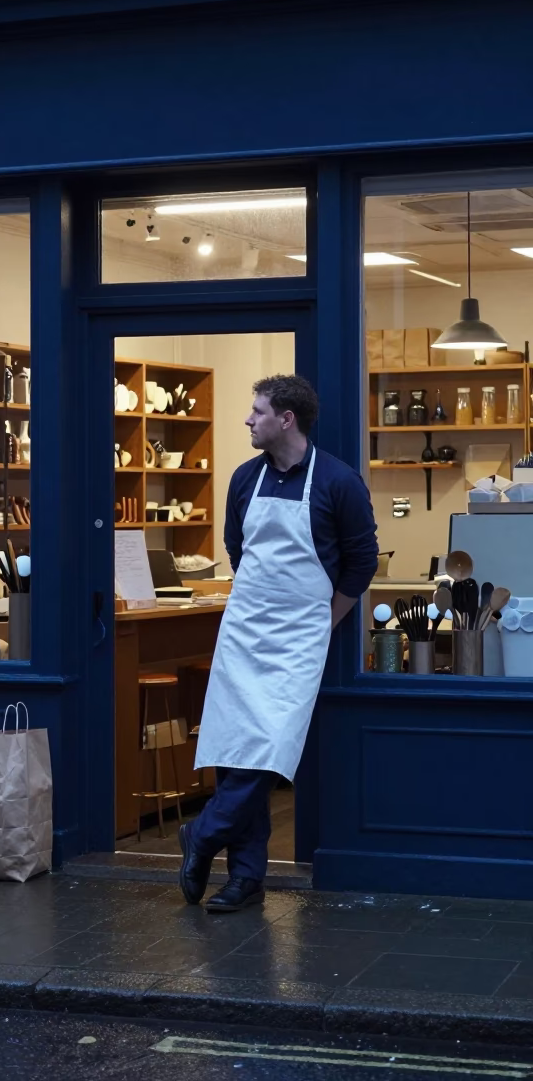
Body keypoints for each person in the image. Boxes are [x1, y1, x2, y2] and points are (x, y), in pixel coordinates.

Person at [178, 374, 378, 913]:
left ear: (285, 419)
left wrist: (323, 621)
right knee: (235, 751)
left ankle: (202, 833)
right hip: (245, 633)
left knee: (269, 751)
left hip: (300, 641)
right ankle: (244, 878)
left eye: (257, 411)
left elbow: (361, 564)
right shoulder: (245, 478)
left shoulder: (339, 482)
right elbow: (237, 549)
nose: (248, 419)